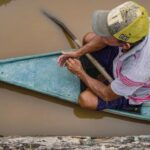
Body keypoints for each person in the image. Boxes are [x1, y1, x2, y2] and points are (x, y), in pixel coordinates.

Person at [57, 1, 150, 111]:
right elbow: (102, 38)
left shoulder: (135, 72)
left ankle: (131, 107)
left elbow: (107, 95)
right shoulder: (140, 22)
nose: (101, 36)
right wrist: (78, 53)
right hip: (122, 62)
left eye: (107, 35)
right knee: (88, 38)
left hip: (131, 91)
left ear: (125, 45)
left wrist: (80, 72)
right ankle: (102, 75)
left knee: (86, 100)